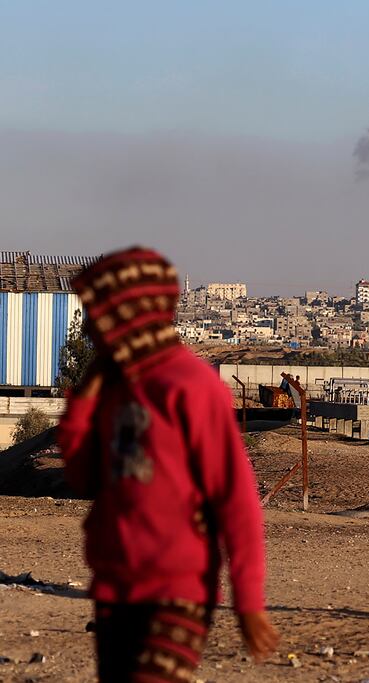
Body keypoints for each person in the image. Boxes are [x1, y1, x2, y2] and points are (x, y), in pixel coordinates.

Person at [57, 247, 279, 681]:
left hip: (178, 591)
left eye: (96, 314)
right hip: (115, 587)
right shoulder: (115, 388)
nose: (87, 327)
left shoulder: (192, 388)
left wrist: (248, 603)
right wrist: (85, 398)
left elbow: (236, 502)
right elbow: (83, 477)